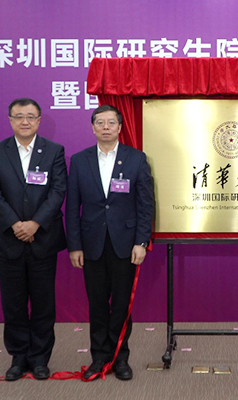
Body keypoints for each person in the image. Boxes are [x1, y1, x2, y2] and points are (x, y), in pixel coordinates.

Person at [66, 105, 154, 381]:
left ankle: (120, 357)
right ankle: (98, 357)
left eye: (111, 122)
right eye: (100, 122)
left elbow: (146, 205)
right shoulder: (79, 160)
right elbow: (72, 207)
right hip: (91, 244)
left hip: (125, 244)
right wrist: (74, 245)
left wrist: (141, 241)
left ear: (119, 127)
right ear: (92, 127)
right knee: (97, 305)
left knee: (121, 305)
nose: (105, 127)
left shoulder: (136, 159)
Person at [0, 98, 67, 381]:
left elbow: (58, 191)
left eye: (31, 116)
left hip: (43, 238)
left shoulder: (54, 151)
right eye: (18, 116)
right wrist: (16, 225)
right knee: (14, 303)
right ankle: (18, 358)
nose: (25, 121)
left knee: (43, 303)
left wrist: (35, 224)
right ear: (10, 120)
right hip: (9, 239)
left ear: (39, 120)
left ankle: (40, 358)